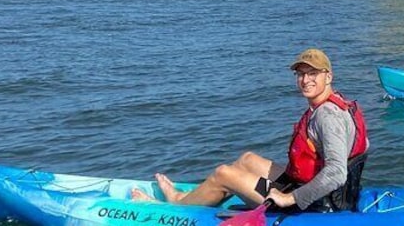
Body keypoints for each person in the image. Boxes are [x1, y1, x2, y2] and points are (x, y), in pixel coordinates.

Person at [131, 48, 368, 213]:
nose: (305, 80)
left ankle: (174, 205)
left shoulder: (328, 117)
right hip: (320, 190)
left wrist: (289, 198)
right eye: (300, 74)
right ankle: (201, 195)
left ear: (328, 76)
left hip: (315, 203)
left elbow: (337, 173)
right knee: (247, 160)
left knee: (224, 173)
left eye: (312, 73)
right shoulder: (338, 104)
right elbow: (362, 147)